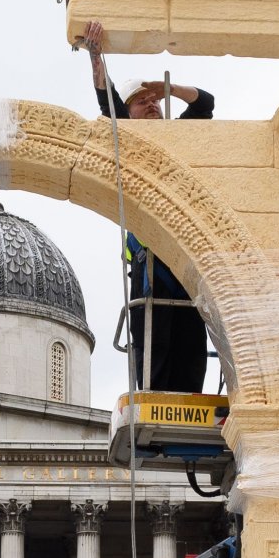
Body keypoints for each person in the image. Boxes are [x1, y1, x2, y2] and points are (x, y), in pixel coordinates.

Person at [83, 20, 213, 395]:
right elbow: (107, 105)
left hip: (185, 267)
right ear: (129, 113)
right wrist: (96, 60)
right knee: (156, 352)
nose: (153, 104)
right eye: (143, 101)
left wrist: (170, 88)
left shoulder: (176, 140)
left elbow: (205, 104)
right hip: (151, 269)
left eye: (155, 100)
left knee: (190, 351)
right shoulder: (127, 145)